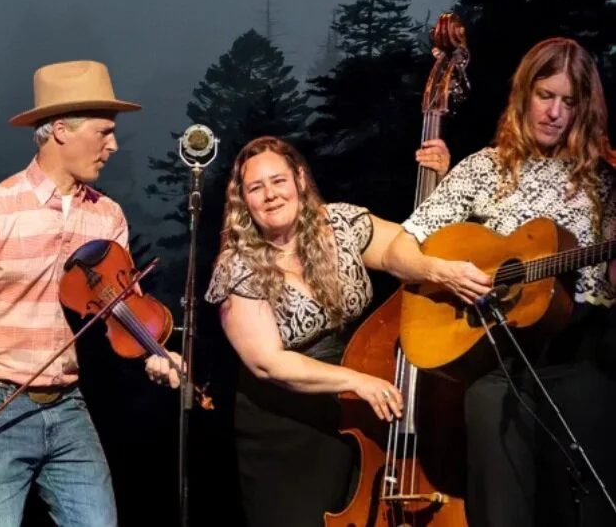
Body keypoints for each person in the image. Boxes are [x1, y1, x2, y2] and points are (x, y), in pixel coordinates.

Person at [0, 60, 177, 527]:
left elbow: (123, 312)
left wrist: (156, 353)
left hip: (67, 405)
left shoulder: (108, 217)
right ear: (60, 130)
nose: (113, 145)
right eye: (103, 132)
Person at [146, 134, 452, 526]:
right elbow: (268, 364)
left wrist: (438, 188)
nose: (270, 194)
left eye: (278, 181)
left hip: (359, 406)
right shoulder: (237, 265)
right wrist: (356, 381)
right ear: (244, 201)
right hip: (285, 422)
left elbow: (411, 254)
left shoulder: (342, 223)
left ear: (300, 181)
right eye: (256, 188)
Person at [383, 37, 616, 527]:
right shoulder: (482, 169)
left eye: (568, 102)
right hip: (497, 361)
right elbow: (400, 248)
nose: (554, 112)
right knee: (499, 499)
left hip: (579, 353)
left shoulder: (603, 180)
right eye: (544, 95)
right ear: (523, 95)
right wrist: (442, 271)